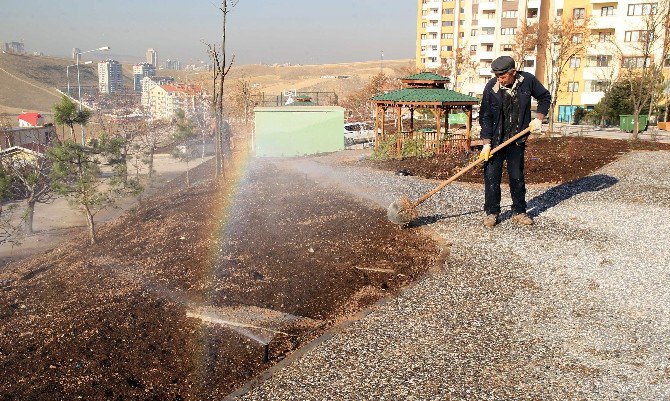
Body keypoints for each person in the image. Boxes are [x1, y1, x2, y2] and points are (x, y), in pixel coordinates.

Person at [478, 56, 551, 228]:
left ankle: (519, 211)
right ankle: (492, 213)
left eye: (502, 76)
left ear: (513, 72)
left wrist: (539, 118)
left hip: (517, 139)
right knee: (491, 177)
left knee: (517, 176)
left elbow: (545, 97)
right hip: (496, 141)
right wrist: (486, 143)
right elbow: (485, 117)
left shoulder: (527, 81)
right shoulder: (491, 88)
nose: (499, 79)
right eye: (497, 76)